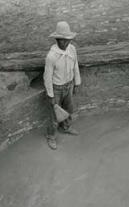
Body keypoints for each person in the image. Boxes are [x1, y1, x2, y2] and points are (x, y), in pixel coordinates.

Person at [43, 21, 81, 150]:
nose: (65, 43)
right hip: (57, 88)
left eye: (68, 40)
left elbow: (75, 65)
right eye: (62, 40)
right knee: (54, 116)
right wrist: (50, 95)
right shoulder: (51, 56)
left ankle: (66, 127)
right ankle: (51, 136)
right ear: (57, 39)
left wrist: (77, 82)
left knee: (69, 110)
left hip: (68, 85)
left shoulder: (72, 49)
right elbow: (47, 77)